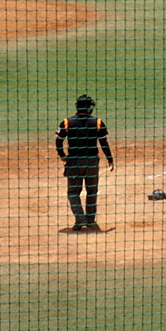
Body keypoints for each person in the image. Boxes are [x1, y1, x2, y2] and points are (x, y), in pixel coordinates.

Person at [55, 94, 115, 231]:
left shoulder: (67, 122)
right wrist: (110, 159)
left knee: (73, 192)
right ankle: (90, 220)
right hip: (92, 162)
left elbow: (58, 141)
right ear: (89, 108)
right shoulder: (97, 122)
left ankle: (79, 218)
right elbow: (104, 143)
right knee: (92, 191)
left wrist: (62, 155)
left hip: (74, 161)